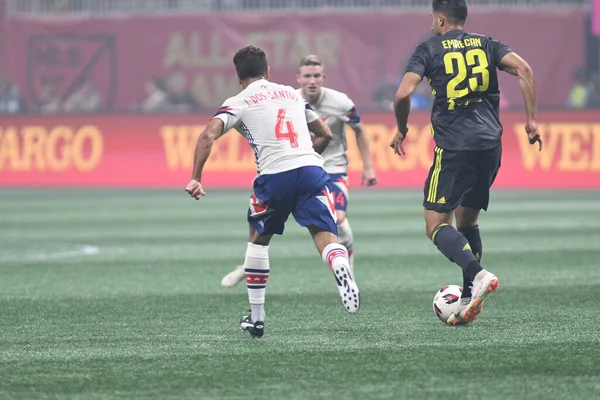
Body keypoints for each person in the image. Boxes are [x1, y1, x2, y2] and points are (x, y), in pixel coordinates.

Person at [185, 46, 359, 338]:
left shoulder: (238, 101)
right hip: (312, 172)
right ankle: (342, 266)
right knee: (325, 236)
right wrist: (306, 160)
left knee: (258, 241)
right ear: (268, 71)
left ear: (239, 78)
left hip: (274, 176)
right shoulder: (292, 94)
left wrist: (195, 177)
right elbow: (326, 134)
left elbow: (208, 135)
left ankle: (256, 318)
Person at [389, 0, 542, 325]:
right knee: (467, 222)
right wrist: (531, 121)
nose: (431, 22)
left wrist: (401, 129)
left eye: (432, 17)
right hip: (490, 145)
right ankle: (470, 295)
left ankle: (477, 274)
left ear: (440, 19)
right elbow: (525, 70)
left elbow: (403, 94)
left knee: (434, 223)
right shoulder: (487, 44)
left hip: (455, 146)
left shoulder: (428, 48)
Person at [220, 54, 376, 288]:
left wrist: (369, 165)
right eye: (307, 76)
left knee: (338, 217)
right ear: (299, 79)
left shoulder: (341, 102)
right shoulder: (287, 98)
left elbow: (360, 130)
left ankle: (346, 277)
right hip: (296, 167)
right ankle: (246, 267)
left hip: (333, 167)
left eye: (316, 76)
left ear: (323, 77)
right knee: (260, 227)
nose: (312, 81)